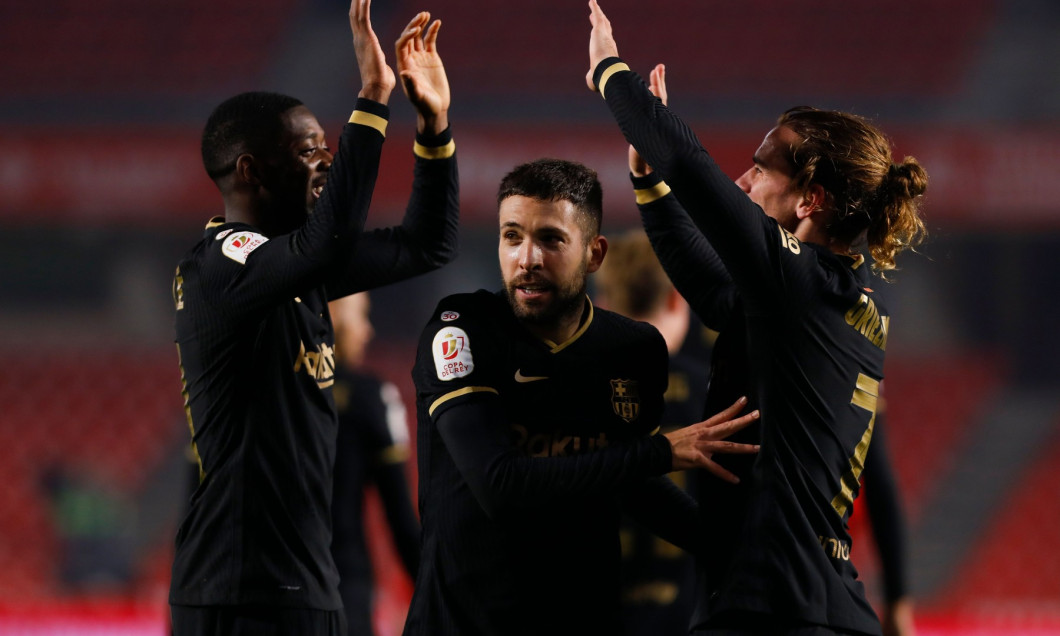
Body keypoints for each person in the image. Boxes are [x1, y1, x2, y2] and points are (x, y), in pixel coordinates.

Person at [585, 2, 928, 634]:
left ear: (810, 200)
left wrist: (611, 72)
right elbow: (716, 295)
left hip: (774, 612)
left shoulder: (798, 282)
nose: (742, 181)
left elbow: (692, 166)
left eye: (761, 166)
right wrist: (649, 187)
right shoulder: (832, 297)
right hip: (815, 606)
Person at [169, 1, 458, 633]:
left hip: (311, 586)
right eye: (308, 151)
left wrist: (433, 126)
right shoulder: (221, 265)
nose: (327, 163)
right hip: (238, 590)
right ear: (251, 171)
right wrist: (373, 101)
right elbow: (325, 244)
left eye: (329, 148)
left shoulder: (295, 271)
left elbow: (425, 244)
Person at [403, 158, 760, 636]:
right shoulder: (463, 330)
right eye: (512, 236)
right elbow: (499, 485)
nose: (526, 259)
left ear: (595, 254)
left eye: (550, 239)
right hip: (465, 623)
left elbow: (630, 483)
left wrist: (745, 550)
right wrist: (658, 453)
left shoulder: (633, 349)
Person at [593, 229, 714, 635]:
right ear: (677, 299)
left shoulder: (572, 392)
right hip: (691, 614)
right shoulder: (714, 394)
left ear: (603, 305)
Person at [329, 292, 420, 636]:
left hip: (270, 595)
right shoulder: (371, 397)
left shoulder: (265, 390)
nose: (367, 331)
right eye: (361, 315)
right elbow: (400, 520)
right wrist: (442, 598)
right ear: (332, 312)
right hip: (343, 588)